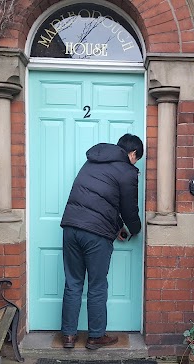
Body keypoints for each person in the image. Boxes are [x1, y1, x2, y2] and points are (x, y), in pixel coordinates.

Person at [60, 133, 144, 350]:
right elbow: (128, 209)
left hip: (71, 226)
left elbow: (98, 200)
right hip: (95, 234)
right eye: (137, 159)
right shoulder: (126, 171)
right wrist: (134, 229)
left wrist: (116, 227)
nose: (135, 163)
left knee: (73, 282)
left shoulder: (93, 161)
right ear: (133, 154)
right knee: (97, 285)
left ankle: (69, 336)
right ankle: (96, 336)